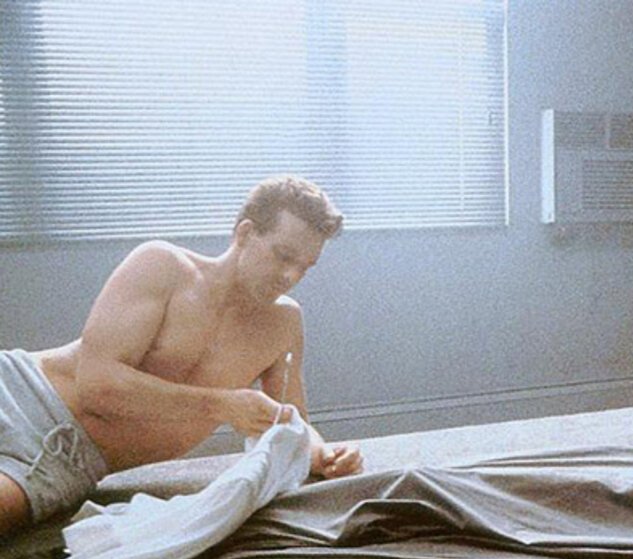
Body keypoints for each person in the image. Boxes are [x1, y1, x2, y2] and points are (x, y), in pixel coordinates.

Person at [0, 176, 363, 539]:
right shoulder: (163, 265)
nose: (291, 275)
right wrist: (222, 405)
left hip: (67, 458)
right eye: (283, 256)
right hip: (16, 385)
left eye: (306, 266)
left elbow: (290, 421)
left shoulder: (284, 323)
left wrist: (324, 454)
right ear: (245, 233)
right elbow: (97, 385)